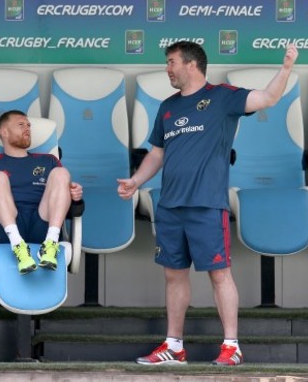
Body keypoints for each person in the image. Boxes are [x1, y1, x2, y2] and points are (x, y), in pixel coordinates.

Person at [118, 41, 298, 366]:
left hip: (207, 204)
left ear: (191, 64)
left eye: (171, 62)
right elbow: (157, 154)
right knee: (173, 275)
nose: (167, 68)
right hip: (170, 205)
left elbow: (268, 98)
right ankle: (174, 346)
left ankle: (232, 346)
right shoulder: (167, 107)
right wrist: (136, 181)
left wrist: (285, 68)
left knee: (219, 274)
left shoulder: (222, 97)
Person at [0, 110, 83, 274]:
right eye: (21, 125)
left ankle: (50, 245)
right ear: (4, 132)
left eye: (29, 125)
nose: (27, 128)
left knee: (62, 173)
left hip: (43, 224)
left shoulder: (48, 160)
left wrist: (74, 192)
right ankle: (18, 245)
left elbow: (63, 187)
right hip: (7, 226)